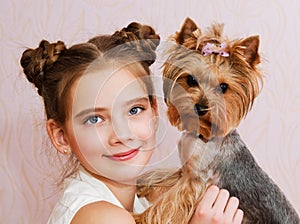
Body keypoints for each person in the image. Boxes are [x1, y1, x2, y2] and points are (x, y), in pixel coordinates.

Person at [20, 22, 244, 224]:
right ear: (61, 136)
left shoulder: (138, 201)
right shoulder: (103, 218)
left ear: (154, 111)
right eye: (94, 119)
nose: (121, 134)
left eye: (134, 110)